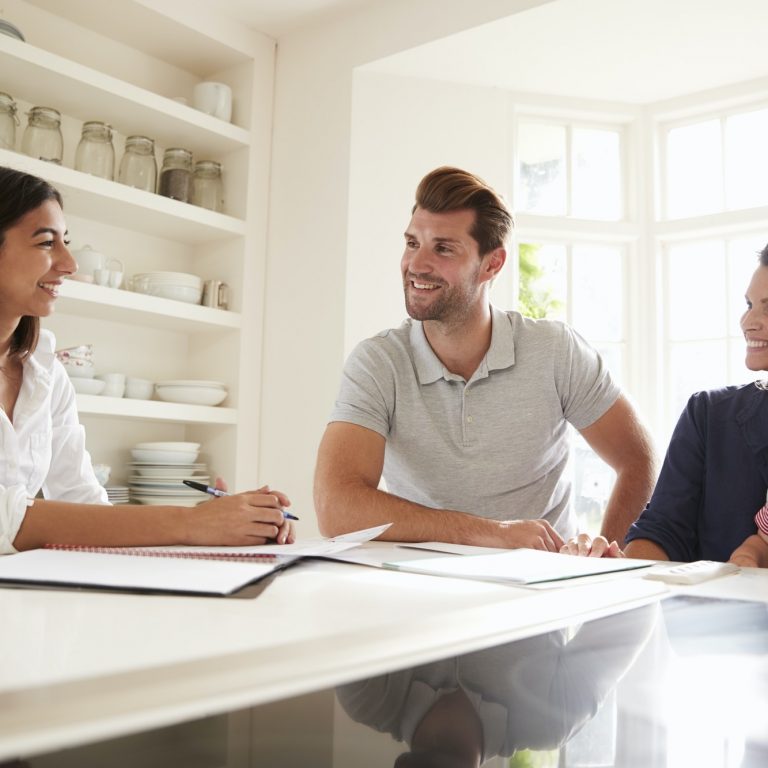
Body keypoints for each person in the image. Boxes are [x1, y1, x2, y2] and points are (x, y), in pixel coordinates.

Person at [314, 166, 656, 550]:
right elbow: (335, 505)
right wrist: (494, 533)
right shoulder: (379, 362)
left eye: (443, 248)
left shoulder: (555, 350)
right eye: (412, 243)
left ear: (492, 264)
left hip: (541, 586)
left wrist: (606, 559)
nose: (417, 264)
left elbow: (637, 459)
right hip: (418, 586)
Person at [0, 166, 293, 555]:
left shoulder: (45, 371)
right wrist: (193, 523)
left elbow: (84, 502)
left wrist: (227, 524)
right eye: (46, 243)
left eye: (65, 242)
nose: (69, 263)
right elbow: (8, 518)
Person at [586, 243, 768, 567]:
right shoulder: (708, 415)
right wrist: (623, 573)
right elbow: (663, 531)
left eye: (767, 308)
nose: (748, 321)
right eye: (749, 304)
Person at [336, 604, 657, 767]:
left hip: (421, 507)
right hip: (537, 521)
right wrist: (596, 562)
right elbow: (637, 608)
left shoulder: (369, 695)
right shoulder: (548, 717)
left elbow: (334, 585)